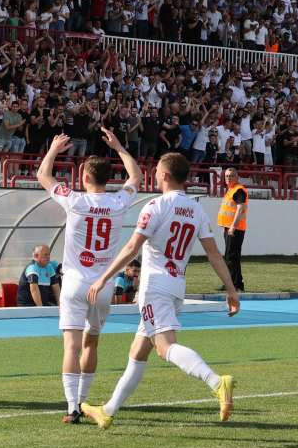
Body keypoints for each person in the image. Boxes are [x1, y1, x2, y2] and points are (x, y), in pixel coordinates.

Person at [80, 152, 241, 430]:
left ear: (165, 176)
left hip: (154, 286)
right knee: (139, 350)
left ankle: (216, 382)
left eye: (156, 170)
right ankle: (107, 410)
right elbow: (214, 254)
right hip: (176, 284)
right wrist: (231, 290)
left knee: (164, 348)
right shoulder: (196, 209)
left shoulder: (155, 206)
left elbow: (132, 248)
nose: (154, 174)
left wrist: (103, 277)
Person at [36, 127, 142, 423]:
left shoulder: (76, 200)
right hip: (104, 283)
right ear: (109, 179)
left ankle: (71, 407)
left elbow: (44, 177)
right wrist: (120, 147)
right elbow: (136, 178)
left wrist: (54, 150)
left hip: (74, 281)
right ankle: (83, 401)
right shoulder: (118, 202)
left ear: (84, 177)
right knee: (91, 342)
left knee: (71, 344)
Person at [216, 168, 248, 291]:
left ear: (237, 177)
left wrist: (233, 227)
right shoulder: (231, 190)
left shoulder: (238, 190)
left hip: (235, 229)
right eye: (227, 176)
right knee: (230, 256)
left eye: (231, 176)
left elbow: (240, 209)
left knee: (232, 256)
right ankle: (234, 283)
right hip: (229, 228)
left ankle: (235, 284)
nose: (229, 178)